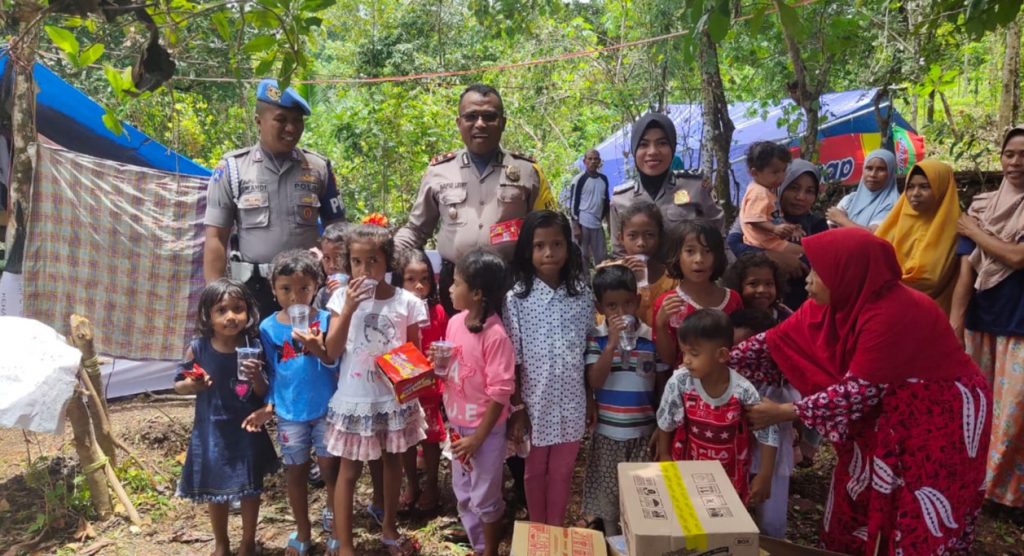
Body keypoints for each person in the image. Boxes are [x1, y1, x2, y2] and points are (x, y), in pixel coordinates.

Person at [739, 228, 990, 554]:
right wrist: (711, 362)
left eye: (818, 271)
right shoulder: (836, 302)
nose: (808, 280)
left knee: (918, 503)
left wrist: (784, 412)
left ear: (847, 272)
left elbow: (858, 391)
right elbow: (773, 344)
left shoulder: (893, 312)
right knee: (858, 489)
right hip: (886, 406)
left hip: (939, 414)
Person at [309, 222, 427, 556]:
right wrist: (348, 307)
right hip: (355, 401)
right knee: (349, 470)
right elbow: (331, 352)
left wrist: (415, 369)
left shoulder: (407, 302)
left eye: (373, 261)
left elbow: (413, 356)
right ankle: (346, 545)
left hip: (391, 401)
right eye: (357, 262)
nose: (365, 269)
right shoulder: (339, 299)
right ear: (348, 264)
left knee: (393, 464)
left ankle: (389, 530)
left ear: (387, 262)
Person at [394, 84, 555, 314]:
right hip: (456, 284)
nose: (480, 123)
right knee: (459, 347)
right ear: (459, 123)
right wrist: (382, 255)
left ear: (503, 122)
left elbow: (550, 231)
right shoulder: (439, 171)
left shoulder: (528, 171)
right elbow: (416, 230)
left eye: (489, 116)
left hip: (512, 282)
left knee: (509, 347)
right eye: (471, 116)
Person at [203, 79, 346, 319]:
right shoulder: (233, 168)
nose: (291, 128)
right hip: (252, 291)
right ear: (259, 120)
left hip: (307, 288)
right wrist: (215, 298)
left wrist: (338, 280)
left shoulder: (318, 167)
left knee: (310, 353)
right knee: (255, 354)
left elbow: (338, 230)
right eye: (281, 120)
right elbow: (216, 237)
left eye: (297, 120)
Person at [241, 250, 340, 556]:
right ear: (273, 288)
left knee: (331, 472)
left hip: (327, 408)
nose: (295, 296)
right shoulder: (269, 328)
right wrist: (269, 404)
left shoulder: (327, 321)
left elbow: (336, 361)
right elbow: (272, 371)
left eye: (304, 289)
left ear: (316, 287)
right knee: (295, 473)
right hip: (290, 413)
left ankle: (336, 527)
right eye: (286, 289)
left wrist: (318, 345)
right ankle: (303, 532)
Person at [503, 210, 594, 526]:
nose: (549, 253)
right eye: (539, 245)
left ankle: (555, 530)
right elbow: (512, 361)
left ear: (568, 248)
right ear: (528, 250)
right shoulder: (517, 299)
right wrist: (517, 407)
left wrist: (590, 400)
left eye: (557, 244)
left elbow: (589, 352)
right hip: (534, 405)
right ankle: (539, 531)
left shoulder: (581, 294)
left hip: (572, 403)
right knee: (534, 470)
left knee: (563, 470)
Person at [174, 279, 278, 556]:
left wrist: (256, 377)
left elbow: (265, 391)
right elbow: (179, 383)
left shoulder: (254, 345)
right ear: (208, 315)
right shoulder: (198, 349)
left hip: (247, 427)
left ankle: (247, 540)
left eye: (238, 308)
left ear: (248, 312)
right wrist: (193, 385)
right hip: (211, 430)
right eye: (222, 310)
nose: (231, 316)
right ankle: (221, 542)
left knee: (250, 488)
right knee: (214, 489)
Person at [951, 125, 1024, 511]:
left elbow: (1016, 257)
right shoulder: (982, 205)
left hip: (1019, 323)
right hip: (982, 318)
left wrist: (975, 232)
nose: (1015, 162)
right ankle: (976, 483)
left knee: (1013, 415)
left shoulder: (974, 218)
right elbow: (967, 270)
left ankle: (1004, 494)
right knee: (978, 406)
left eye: (1023, 155)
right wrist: (956, 321)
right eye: (1010, 154)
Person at [436, 249, 515, 556]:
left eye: (456, 283)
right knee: (464, 493)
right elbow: (451, 369)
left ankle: (490, 550)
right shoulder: (455, 322)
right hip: (457, 425)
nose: (450, 289)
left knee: (485, 496)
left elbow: (500, 392)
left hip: (484, 432)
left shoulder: (496, 337)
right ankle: (478, 545)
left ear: (478, 293)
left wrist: (478, 437)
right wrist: (437, 365)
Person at [655, 309, 778, 504]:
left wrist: (765, 475)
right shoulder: (679, 382)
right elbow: (665, 420)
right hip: (687, 466)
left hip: (730, 475)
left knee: (724, 524)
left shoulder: (742, 390)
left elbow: (769, 430)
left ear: (721, 355)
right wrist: (664, 454)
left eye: (694, 353)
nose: (686, 360)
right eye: (684, 351)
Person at [580, 264, 666, 535]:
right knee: (609, 498)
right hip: (608, 434)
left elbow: (663, 383)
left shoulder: (651, 338)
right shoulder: (596, 338)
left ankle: (638, 542)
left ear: (638, 301)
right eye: (612, 306)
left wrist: (660, 426)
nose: (620, 312)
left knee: (642, 497)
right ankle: (611, 539)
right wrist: (611, 344)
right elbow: (595, 381)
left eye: (627, 303)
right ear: (600, 307)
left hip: (643, 432)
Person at [609, 112, 723, 255]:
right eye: (644, 144)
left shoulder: (695, 187)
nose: (653, 151)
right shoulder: (620, 199)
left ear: (672, 148)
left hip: (688, 276)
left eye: (662, 143)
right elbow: (619, 252)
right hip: (641, 276)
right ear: (634, 150)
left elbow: (718, 236)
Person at [390, 249, 448, 514]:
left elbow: (445, 342)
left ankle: (433, 485)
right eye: (410, 279)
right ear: (399, 281)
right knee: (407, 438)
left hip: (430, 386)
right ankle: (411, 483)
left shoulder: (436, 311)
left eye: (424, 278)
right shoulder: (394, 311)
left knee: (431, 436)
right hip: (403, 385)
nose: (419, 285)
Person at [728, 158, 827, 309]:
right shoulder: (756, 213)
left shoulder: (817, 224)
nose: (800, 197)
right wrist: (772, 256)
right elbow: (733, 243)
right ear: (780, 185)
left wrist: (798, 262)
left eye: (809, 191)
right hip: (754, 305)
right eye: (794, 188)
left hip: (799, 305)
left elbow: (820, 262)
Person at [876, 159, 962, 314]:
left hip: (928, 315)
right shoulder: (896, 221)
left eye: (924, 187)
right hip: (885, 312)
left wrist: (881, 281)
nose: (915, 193)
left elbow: (929, 281)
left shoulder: (955, 229)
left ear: (941, 189)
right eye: (910, 187)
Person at [653, 222, 742, 367]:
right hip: (687, 386)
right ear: (677, 256)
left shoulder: (733, 299)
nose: (699, 259)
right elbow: (668, 359)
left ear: (717, 256)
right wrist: (661, 324)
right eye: (690, 251)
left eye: (707, 251)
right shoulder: (667, 303)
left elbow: (739, 346)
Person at [601, 201, 673, 327]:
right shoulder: (608, 274)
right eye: (632, 236)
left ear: (660, 237)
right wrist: (624, 279)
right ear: (621, 238)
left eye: (649, 235)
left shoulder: (671, 278)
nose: (641, 243)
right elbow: (605, 321)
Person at [739, 142, 804, 256]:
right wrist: (774, 229)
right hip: (765, 243)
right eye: (775, 172)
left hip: (770, 240)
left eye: (783, 170)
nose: (781, 176)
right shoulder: (759, 193)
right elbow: (753, 219)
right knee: (804, 253)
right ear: (754, 172)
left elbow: (772, 217)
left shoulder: (767, 189)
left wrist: (789, 228)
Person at [826, 149, 898, 231]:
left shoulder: (892, 203)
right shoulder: (850, 199)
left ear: (891, 173)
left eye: (881, 169)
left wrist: (841, 219)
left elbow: (874, 235)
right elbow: (832, 227)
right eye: (869, 168)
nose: (873, 174)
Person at [568, 149, 610, 267]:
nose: (592, 161)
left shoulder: (604, 179)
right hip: (582, 223)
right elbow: (573, 204)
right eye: (590, 159)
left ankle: (602, 283)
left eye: (595, 159)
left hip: (597, 223)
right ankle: (584, 283)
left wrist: (610, 224)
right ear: (584, 161)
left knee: (602, 256)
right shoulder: (579, 180)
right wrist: (575, 226)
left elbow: (606, 202)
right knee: (582, 257)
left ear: (599, 161)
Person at [724, 252, 792, 322]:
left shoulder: (785, 315)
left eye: (769, 284)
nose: (762, 290)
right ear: (738, 285)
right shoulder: (732, 319)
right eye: (753, 284)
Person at [314, 223, 349, 310]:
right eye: (326, 258)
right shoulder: (322, 295)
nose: (332, 265)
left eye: (339, 257)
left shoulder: (364, 293)